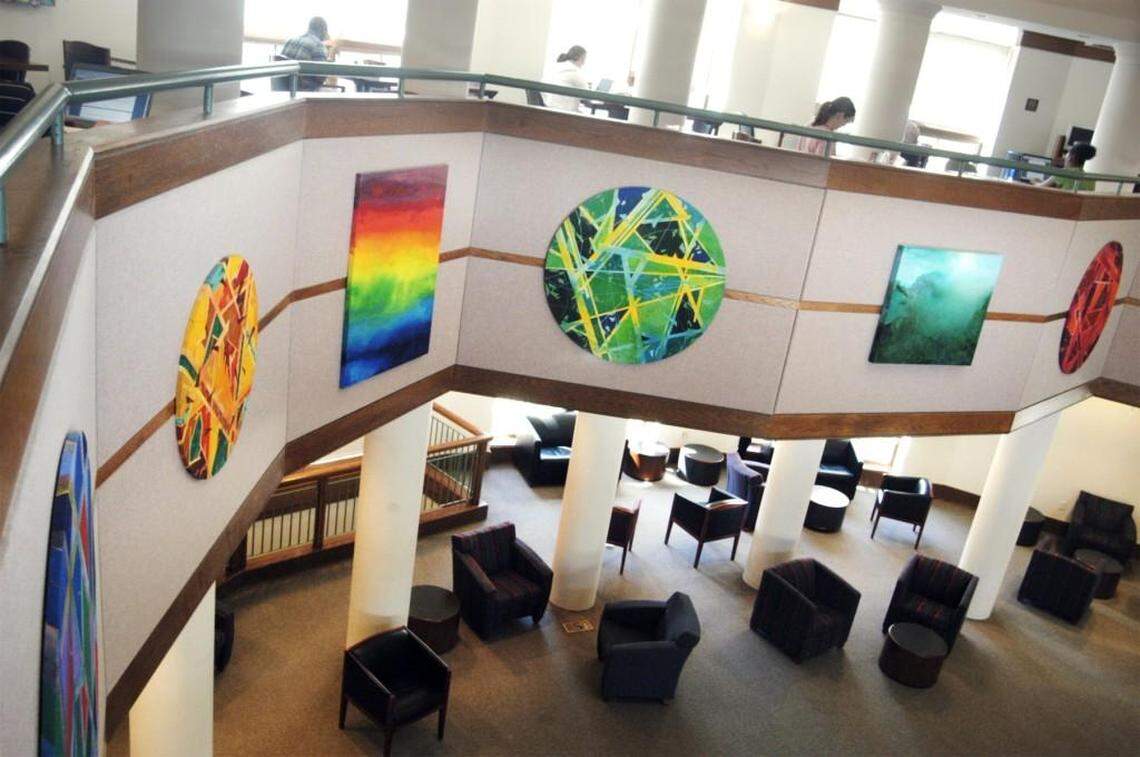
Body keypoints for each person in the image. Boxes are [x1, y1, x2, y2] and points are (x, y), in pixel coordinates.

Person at [281, 17, 336, 91]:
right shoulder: (318, 45)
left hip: (282, 90)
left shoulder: (290, 40)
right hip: (302, 91)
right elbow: (321, 78)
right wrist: (328, 57)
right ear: (324, 30)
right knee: (333, 92)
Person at [546, 45, 590, 113]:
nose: (583, 63)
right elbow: (587, 94)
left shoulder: (557, 67)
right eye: (584, 59)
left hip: (549, 107)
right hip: (563, 112)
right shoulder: (574, 71)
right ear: (580, 58)